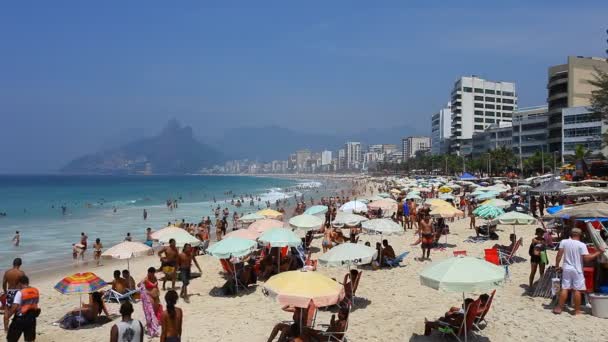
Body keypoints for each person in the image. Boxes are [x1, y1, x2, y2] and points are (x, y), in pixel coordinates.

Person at [553, 228, 605, 315]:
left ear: (571, 234)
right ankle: (577, 311)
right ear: (580, 235)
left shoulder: (564, 242)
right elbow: (587, 259)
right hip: (577, 270)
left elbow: (559, 255)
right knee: (577, 290)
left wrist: (557, 265)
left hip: (567, 268)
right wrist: (599, 252)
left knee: (565, 288)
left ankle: (559, 308)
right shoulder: (581, 245)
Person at [6, 275, 39, 342]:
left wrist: (8, 316)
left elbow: (14, 307)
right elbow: (35, 302)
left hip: (20, 319)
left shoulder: (20, 292)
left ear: (20, 283)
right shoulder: (36, 290)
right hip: (32, 318)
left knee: (11, 339)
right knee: (30, 339)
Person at [3, 258, 25, 333]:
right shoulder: (21, 273)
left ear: (13, 263)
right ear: (20, 264)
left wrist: (5, 292)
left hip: (9, 291)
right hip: (18, 292)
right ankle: (17, 327)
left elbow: (4, 283)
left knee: (7, 309)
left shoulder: (7, 272)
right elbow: (23, 285)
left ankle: (6, 329)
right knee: (18, 309)